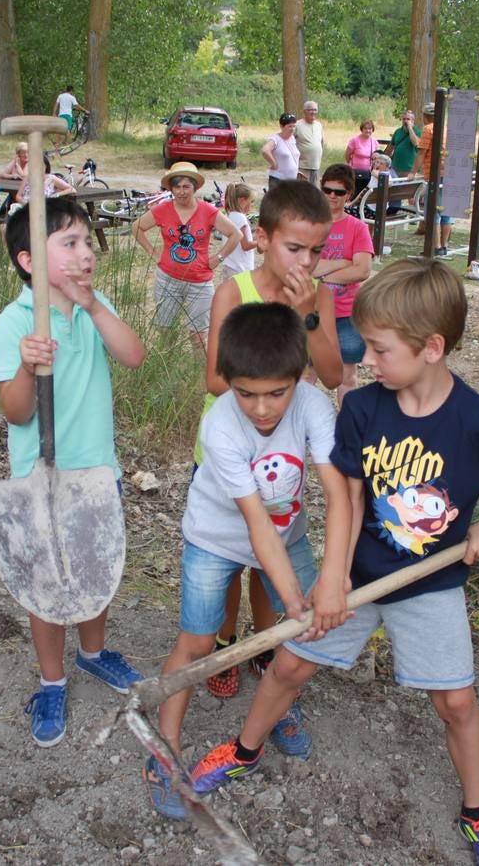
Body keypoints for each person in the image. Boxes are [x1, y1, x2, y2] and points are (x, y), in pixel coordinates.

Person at [190, 260, 479, 866]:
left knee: (457, 703)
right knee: (287, 667)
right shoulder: (363, 407)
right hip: (358, 578)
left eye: (381, 350)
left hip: (430, 584)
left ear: (432, 348)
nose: (368, 361)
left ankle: (478, 813)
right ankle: (245, 749)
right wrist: (332, 578)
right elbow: (351, 495)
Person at [144, 302, 353, 819]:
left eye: (275, 393)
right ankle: (163, 748)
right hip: (217, 536)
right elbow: (256, 526)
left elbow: (338, 493)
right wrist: (297, 600)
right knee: (195, 640)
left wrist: (331, 579)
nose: (261, 409)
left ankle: (277, 705)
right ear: (227, 382)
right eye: (246, 394)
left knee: (303, 628)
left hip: (291, 535)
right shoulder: (220, 425)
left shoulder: (314, 406)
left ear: (298, 376)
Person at [0, 197, 147, 746]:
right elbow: (15, 411)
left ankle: (94, 653)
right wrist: (29, 366)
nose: (85, 254)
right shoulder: (13, 323)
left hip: (97, 471)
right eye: (70, 243)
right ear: (29, 260)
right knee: (46, 581)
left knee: (95, 569)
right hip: (43, 479)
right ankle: (51, 680)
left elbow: (134, 357)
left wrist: (95, 306)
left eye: (86, 242)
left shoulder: (93, 304)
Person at [197, 180, 347, 701]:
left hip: (284, 459)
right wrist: (274, 377)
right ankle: (225, 639)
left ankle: (265, 641)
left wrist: (308, 318)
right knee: (230, 557)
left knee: (273, 550)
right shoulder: (234, 292)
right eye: (294, 247)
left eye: (316, 251)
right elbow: (216, 381)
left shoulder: (319, 297)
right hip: (232, 453)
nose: (305, 261)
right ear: (262, 237)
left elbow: (331, 374)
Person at [133, 162, 241, 354]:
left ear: (195, 188)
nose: (181, 192)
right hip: (168, 279)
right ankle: (168, 368)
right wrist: (154, 254)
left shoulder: (208, 210)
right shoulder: (162, 209)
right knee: (165, 330)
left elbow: (236, 235)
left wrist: (218, 258)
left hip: (199, 282)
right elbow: (137, 228)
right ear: (171, 188)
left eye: (186, 187)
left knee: (199, 336)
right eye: (177, 187)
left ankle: (200, 378)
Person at [312, 164, 375, 400]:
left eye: (339, 192)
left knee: (347, 378)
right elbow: (306, 266)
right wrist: (343, 263)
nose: (332, 196)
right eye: (327, 190)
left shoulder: (358, 228)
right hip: (313, 311)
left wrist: (322, 275)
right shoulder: (311, 225)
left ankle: (346, 430)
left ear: (349, 194)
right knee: (307, 375)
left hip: (347, 312)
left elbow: (363, 270)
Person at [416, 102, 454, 258]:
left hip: (435, 174)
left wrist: (413, 172)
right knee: (446, 212)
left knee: (433, 211)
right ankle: (444, 246)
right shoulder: (446, 129)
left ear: (425, 116)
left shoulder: (428, 129)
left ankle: (436, 247)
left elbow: (421, 153)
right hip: (449, 173)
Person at [219, 181, 257, 282]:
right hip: (241, 269)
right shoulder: (241, 218)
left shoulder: (228, 216)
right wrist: (262, 241)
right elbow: (246, 245)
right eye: (251, 201)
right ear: (242, 200)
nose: (252, 205)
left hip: (230, 266)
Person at [261, 113, 301, 189]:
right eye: (289, 126)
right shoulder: (276, 139)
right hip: (278, 180)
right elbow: (265, 150)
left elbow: (293, 156)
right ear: (282, 126)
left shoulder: (292, 139)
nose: (292, 129)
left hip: (292, 180)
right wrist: (274, 163)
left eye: (294, 126)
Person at [344, 119, 380, 193]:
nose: (368, 130)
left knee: (365, 194)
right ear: (362, 129)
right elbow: (347, 155)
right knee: (354, 192)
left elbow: (378, 157)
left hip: (368, 173)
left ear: (372, 129)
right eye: (365, 128)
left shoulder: (374, 142)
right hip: (355, 173)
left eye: (370, 128)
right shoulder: (354, 141)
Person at [294, 100, 324, 186]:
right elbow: (290, 144)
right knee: (302, 193)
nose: (313, 112)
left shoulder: (319, 125)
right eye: (310, 109)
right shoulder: (297, 125)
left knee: (315, 192)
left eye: (315, 110)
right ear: (304, 111)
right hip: (302, 167)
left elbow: (321, 143)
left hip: (316, 166)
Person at [385, 108, 420, 177]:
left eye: (408, 119)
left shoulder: (417, 132)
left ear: (413, 120)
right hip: (395, 168)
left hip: (409, 169)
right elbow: (390, 147)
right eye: (404, 119)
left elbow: (416, 143)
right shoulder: (398, 131)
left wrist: (410, 128)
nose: (405, 121)